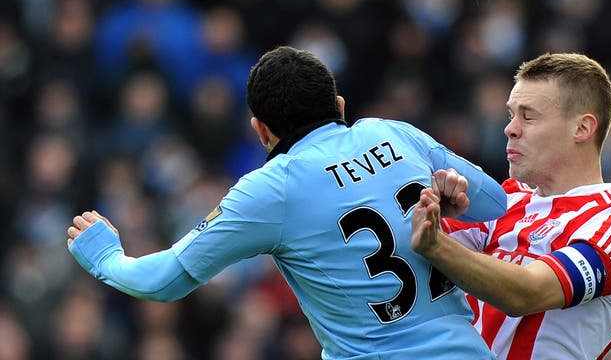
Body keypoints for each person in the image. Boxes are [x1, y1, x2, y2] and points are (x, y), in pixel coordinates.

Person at [67, 45, 507, 359]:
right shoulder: (393, 133)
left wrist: (105, 258)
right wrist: (454, 199)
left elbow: (163, 280)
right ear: (338, 104)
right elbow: (496, 203)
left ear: (261, 131)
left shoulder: (272, 188)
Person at [411, 52, 611, 360]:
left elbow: (527, 293)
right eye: (511, 115)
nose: (510, 128)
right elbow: (411, 256)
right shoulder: (506, 198)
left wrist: (435, 244)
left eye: (528, 116)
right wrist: (435, 210)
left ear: (582, 129)